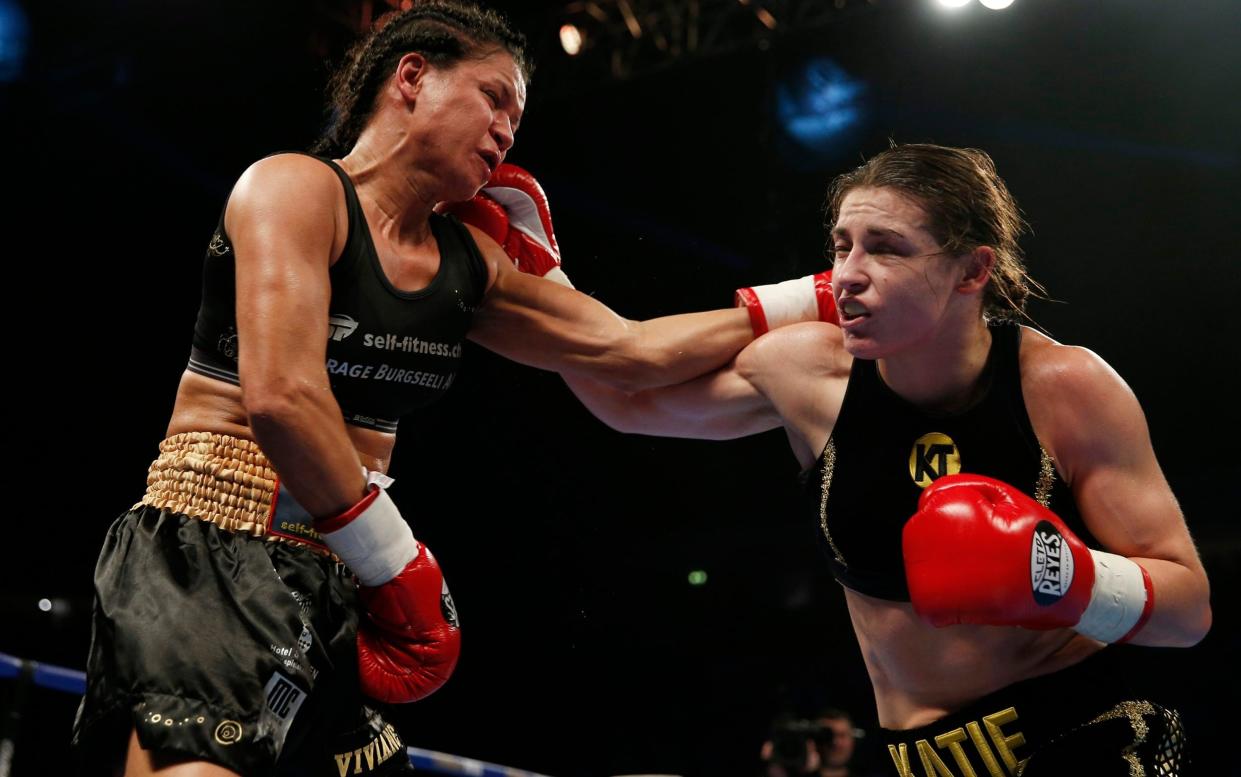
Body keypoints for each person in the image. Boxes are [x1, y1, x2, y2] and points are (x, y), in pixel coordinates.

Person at [68, 3, 835, 775]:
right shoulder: (294, 190)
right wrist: (393, 559)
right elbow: (282, 397)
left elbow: (626, 349)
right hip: (214, 542)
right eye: (492, 97)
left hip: (333, 574)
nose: (507, 128)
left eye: (518, 116)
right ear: (411, 77)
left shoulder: (466, 263)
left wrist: (820, 294)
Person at [567, 143, 1212, 775]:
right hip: (919, 759)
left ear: (972, 270)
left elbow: (1188, 613)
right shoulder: (810, 376)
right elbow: (626, 397)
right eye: (842, 245)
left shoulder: (1062, 388)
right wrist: (536, 268)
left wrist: (1065, 578)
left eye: (885, 247)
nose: (847, 272)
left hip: (1085, 730)